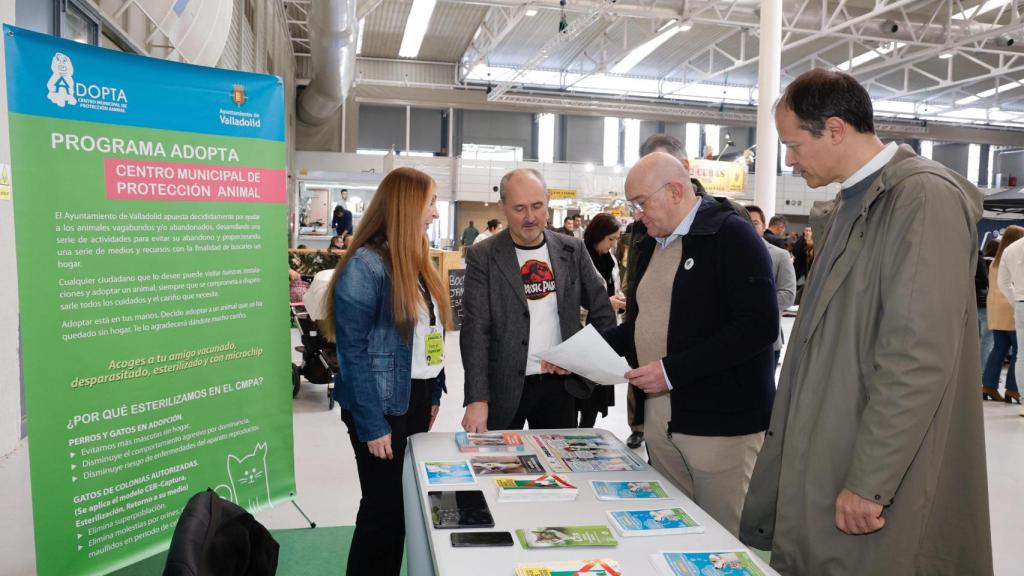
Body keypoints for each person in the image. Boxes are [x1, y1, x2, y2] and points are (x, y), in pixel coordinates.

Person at [739, 69, 992, 575]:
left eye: (792, 145)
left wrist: (871, 480)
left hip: (869, 464)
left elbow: (916, 355)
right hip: (826, 446)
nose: (788, 159)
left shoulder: (921, 197)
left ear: (835, 129)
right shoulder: (849, 204)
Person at [598, 152, 778, 536]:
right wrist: (587, 350)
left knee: (720, 540)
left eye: (642, 203)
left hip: (720, 426)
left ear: (677, 190)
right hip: (663, 418)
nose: (637, 214)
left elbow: (758, 326)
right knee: (673, 531)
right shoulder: (651, 244)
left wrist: (672, 371)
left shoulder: (732, 235)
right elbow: (642, 324)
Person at [322, 167, 452, 576]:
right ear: (406, 206)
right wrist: (373, 424)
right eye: (430, 203)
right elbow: (353, 353)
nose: (434, 212)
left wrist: (433, 394)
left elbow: (432, 334)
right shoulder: (366, 264)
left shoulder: (415, 260)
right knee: (383, 512)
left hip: (412, 398)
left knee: (400, 508)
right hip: (378, 406)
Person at [460, 168, 616, 432]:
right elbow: (475, 331)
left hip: (559, 388)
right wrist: (477, 398)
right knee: (500, 468)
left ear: (548, 200)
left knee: (558, 470)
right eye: (519, 208)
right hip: (503, 388)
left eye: (537, 206)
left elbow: (603, 312)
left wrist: (578, 357)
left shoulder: (572, 250)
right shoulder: (483, 256)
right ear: (503, 207)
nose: (530, 217)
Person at [577, 213, 627, 427]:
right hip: (582, 334)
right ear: (598, 235)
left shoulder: (611, 259)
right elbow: (572, 300)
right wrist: (607, 303)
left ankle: (587, 429)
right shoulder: (579, 257)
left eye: (616, 239)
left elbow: (612, 288)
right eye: (610, 239)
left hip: (605, 335)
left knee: (596, 394)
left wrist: (619, 298)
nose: (613, 244)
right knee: (579, 390)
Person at [746, 205, 797, 366]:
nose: (748, 227)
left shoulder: (780, 255)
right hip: (728, 340)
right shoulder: (725, 255)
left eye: (754, 223)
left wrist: (749, 302)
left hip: (766, 341)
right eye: (743, 222)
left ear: (763, 226)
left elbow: (788, 295)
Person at [984, 226, 1023, 403]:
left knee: (999, 349)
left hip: (996, 311)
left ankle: (988, 385)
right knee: (1018, 351)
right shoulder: (1015, 257)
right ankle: (1014, 390)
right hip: (1011, 309)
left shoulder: (995, 261)